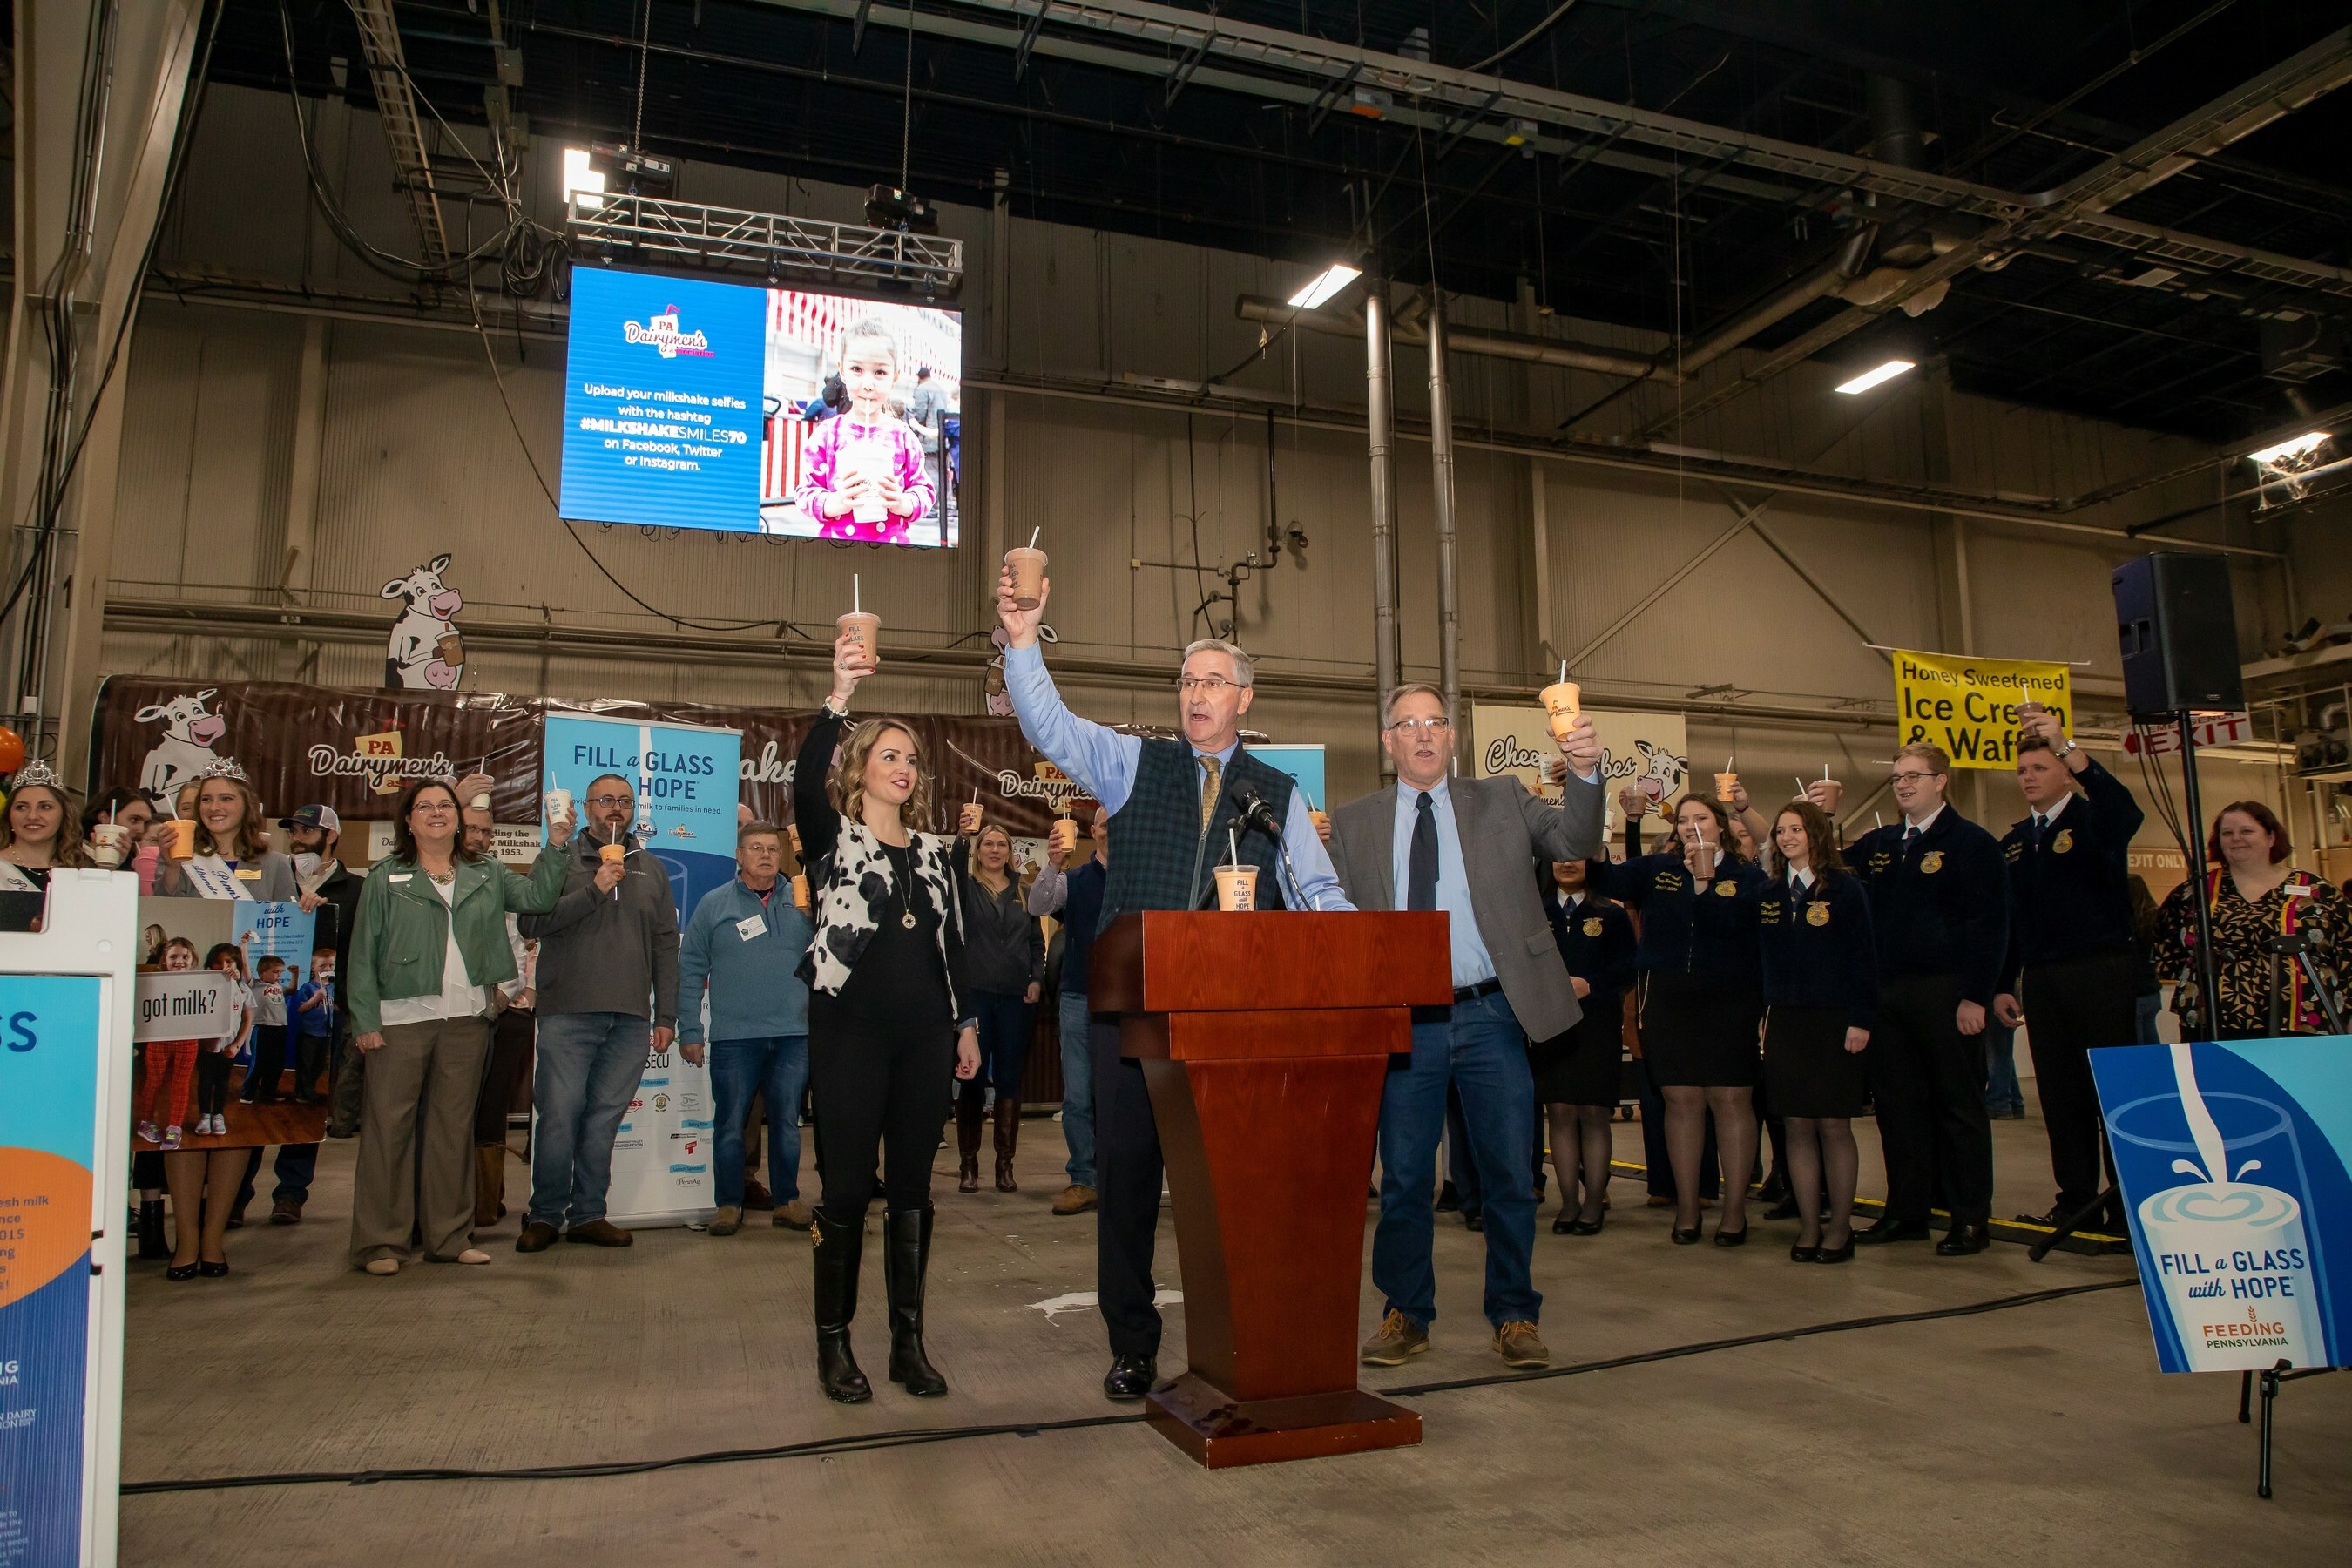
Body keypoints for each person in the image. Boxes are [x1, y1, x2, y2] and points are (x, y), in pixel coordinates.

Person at [998, 564, 1351, 1402]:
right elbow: (1050, 727)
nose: (1197, 695)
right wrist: (1021, 642)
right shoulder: (1134, 765)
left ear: (1244, 700)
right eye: (1188, 681)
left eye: (1214, 683)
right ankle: (1132, 1345)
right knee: (1124, 1187)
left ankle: (1238, 1342)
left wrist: (1359, 942)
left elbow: (1319, 896)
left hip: (1231, 1025)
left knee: (1228, 1196)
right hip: (1133, 1020)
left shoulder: (1278, 795)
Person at [1324, 683, 1602, 1370]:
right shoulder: (1354, 822)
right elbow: (1330, 918)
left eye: (1435, 723)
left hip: (1490, 1014)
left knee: (1509, 1172)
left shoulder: (1502, 798)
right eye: (1407, 725)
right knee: (1407, 1177)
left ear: (1453, 738)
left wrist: (1589, 771)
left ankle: (1514, 1314)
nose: (1423, 735)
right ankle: (1406, 1314)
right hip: (1403, 1022)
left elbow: (1577, 837)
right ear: (1388, 742)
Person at [794, 632, 983, 1403]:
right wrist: (838, 698)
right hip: (849, 1036)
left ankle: (908, 1343)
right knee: (844, 1192)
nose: (903, 768)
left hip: (924, 1040)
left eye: (911, 759)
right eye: (889, 755)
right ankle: (833, 1347)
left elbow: (956, 946)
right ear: (859, 768)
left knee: (913, 1189)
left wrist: (964, 1025)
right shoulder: (833, 840)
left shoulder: (940, 853)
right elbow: (807, 781)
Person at [346, 779, 576, 1274]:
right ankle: (380, 1244)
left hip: (466, 1020)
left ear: (458, 816)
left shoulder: (488, 872)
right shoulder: (386, 877)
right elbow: (361, 954)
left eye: (444, 805)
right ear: (407, 820)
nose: (435, 813)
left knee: (453, 1130)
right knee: (390, 1131)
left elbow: (538, 896)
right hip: (399, 1022)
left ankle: (449, 1236)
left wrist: (556, 844)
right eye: (423, 806)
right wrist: (364, 1020)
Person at [1817, 746, 2007, 1256]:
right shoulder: (1880, 843)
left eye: (1913, 777)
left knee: (1957, 1106)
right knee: (1897, 1109)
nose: (1902, 785)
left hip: (1945, 991)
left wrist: (1975, 996)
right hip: (1887, 993)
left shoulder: (1971, 843)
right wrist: (1823, 818)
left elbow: (1988, 927)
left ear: (1941, 782)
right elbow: (1826, 871)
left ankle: (1970, 1218)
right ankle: (1907, 1212)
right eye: (1897, 777)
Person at [1587, 794, 1769, 1247]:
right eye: (1684, 820)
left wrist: (1707, 886)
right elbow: (1604, 875)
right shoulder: (1658, 870)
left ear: (1720, 825)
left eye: (1701, 818)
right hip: (1669, 999)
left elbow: (1744, 930)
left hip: (1731, 1000)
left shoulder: (1746, 878)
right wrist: (1597, 831)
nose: (1691, 826)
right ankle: (1687, 1209)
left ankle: (1733, 1212)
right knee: (1682, 1100)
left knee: (1731, 1102)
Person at [1992, 706, 2146, 1230]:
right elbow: (2007, 922)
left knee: (2111, 1090)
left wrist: (2066, 745)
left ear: (2063, 772)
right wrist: (2002, 984)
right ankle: (2075, 1197)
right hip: (2043, 978)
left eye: (2040, 768)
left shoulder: (2092, 820)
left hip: (2100, 970)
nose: (2029, 778)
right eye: (2023, 771)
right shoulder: (2013, 843)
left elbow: (2126, 812)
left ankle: (2126, 1201)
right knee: (2060, 1092)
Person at [514, 774, 681, 1253]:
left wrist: (666, 1014)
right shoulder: (561, 859)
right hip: (567, 1011)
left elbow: (666, 945)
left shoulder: (651, 868)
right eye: (605, 800)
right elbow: (531, 920)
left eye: (624, 802)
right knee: (560, 1115)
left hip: (630, 1016)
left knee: (603, 1119)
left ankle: (589, 1213)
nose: (615, 809)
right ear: (586, 808)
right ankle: (545, 1214)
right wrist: (594, 888)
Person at [676, 820, 816, 1237]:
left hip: (794, 1034)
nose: (767, 856)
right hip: (735, 1037)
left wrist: (815, 916)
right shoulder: (714, 904)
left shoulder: (804, 901)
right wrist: (689, 1030)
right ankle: (728, 1204)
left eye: (773, 849)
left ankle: (787, 1200)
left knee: (787, 1124)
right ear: (739, 856)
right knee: (731, 1124)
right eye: (756, 848)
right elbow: (691, 969)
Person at [1759, 800, 1877, 1264]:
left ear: (1816, 835)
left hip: (1835, 1021)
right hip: (1786, 1020)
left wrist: (1861, 1019)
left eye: (1796, 829)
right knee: (1796, 1127)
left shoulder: (1846, 890)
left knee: (1832, 1125)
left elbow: (1863, 958)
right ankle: (1809, 1225)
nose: (1787, 837)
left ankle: (1840, 1227)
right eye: (1781, 830)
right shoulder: (1769, 894)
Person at [2156, 801, 2351, 1039]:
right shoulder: (2194, 891)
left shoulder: (2317, 890)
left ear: (2271, 837)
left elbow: (2347, 950)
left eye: (2247, 831)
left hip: (2301, 1020)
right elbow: (2165, 948)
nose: (2236, 838)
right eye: (2227, 833)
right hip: (2212, 1021)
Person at [1536, 858, 1636, 1236]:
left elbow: (1628, 966)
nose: (1567, 864)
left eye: (1576, 856)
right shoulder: (1537, 911)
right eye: (1559, 857)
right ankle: (1569, 1204)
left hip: (1597, 1025)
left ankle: (1594, 1203)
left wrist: (1591, 985)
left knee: (1594, 1114)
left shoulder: (1610, 913)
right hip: (1551, 1026)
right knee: (1559, 1113)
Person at [951, 821, 1044, 1193]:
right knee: (971, 1078)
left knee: (1009, 1080)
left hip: (1016, 999)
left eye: (1001, 845)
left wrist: (1036, 978)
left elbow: (1037, 943)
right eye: (987, 844)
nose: (994, 850)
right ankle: (968, 1166)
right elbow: (954, 870)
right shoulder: (966, 888)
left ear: (1010, 851)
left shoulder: (1025, 890)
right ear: (978, 851)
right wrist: (961, 837)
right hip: (974, 997)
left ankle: (1004, 1166)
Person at [1026, 805, 1110, 1215]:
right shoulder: (1073, 881)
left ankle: (1122, 1178)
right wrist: (1053, 864)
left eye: (1118, 824)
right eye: (1105, 825)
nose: (1111, 831)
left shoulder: (1139, 878)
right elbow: (1038, 906)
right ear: (1093, 831)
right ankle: (1083, 1179)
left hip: (1130, 1002)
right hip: (1079, 998)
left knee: (1123, 1096)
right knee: (1077, 1097)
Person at [460, 801, 538, 1232]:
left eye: (487, 832)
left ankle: (485, 1202)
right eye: (471, 830)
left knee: (492, 1109)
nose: (480, 839)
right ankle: (444, 1201)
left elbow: (523, 944)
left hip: (506, 1015)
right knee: (452, 1110)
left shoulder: (502, 880)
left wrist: (512, 994)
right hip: (450, 1013)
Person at [794, 321, 936, 544]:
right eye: (857, 369)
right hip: (834, 554)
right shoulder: (827, 434)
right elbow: (805, 493)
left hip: (893, 558)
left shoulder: (903, 436)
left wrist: (903, 503)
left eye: (880, 371)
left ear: (894, 377)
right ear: (842, 372)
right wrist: (835, 502)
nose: (868, 384)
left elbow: (924, 490)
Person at [147, 761, 299, 901]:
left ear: (247, 805)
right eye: (206, 799)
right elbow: (164, 913)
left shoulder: (276, 864)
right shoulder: (179, 857)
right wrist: (172, 867)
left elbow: (288, 923)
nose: (214, 807)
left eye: (226, 799)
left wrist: (307, 908)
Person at [0, 762, 89, 913]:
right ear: (9, 816)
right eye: (21, 807)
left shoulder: (80, 868)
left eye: (45, 807)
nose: (32, 816)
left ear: (64, 815)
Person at [291, 946, 337, 1105]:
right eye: (322, 966)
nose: (327, 969)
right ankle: (302, 1093)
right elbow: (300, 1008)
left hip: (326, 1034)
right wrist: (315, 998)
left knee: (318, 1065)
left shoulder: (333, 988)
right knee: (306, 1065)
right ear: (313, 968)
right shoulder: (308, 987)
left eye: (330, 965)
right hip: (309, 1033)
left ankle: (310, 1089)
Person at [243, 956, 291, 1105]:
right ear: (263, 972)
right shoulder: (254, 984)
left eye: (281, 972)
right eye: (276, 972)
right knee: (259, 1062)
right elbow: (245, 965)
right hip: (263, 1028)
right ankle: (247, 1092)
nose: (279, 975)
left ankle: (269, 1090)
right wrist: (244, 945)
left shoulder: (280, 987)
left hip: (281, 1028)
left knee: (277, 1063)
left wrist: (294, 975)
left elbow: (292, 990)